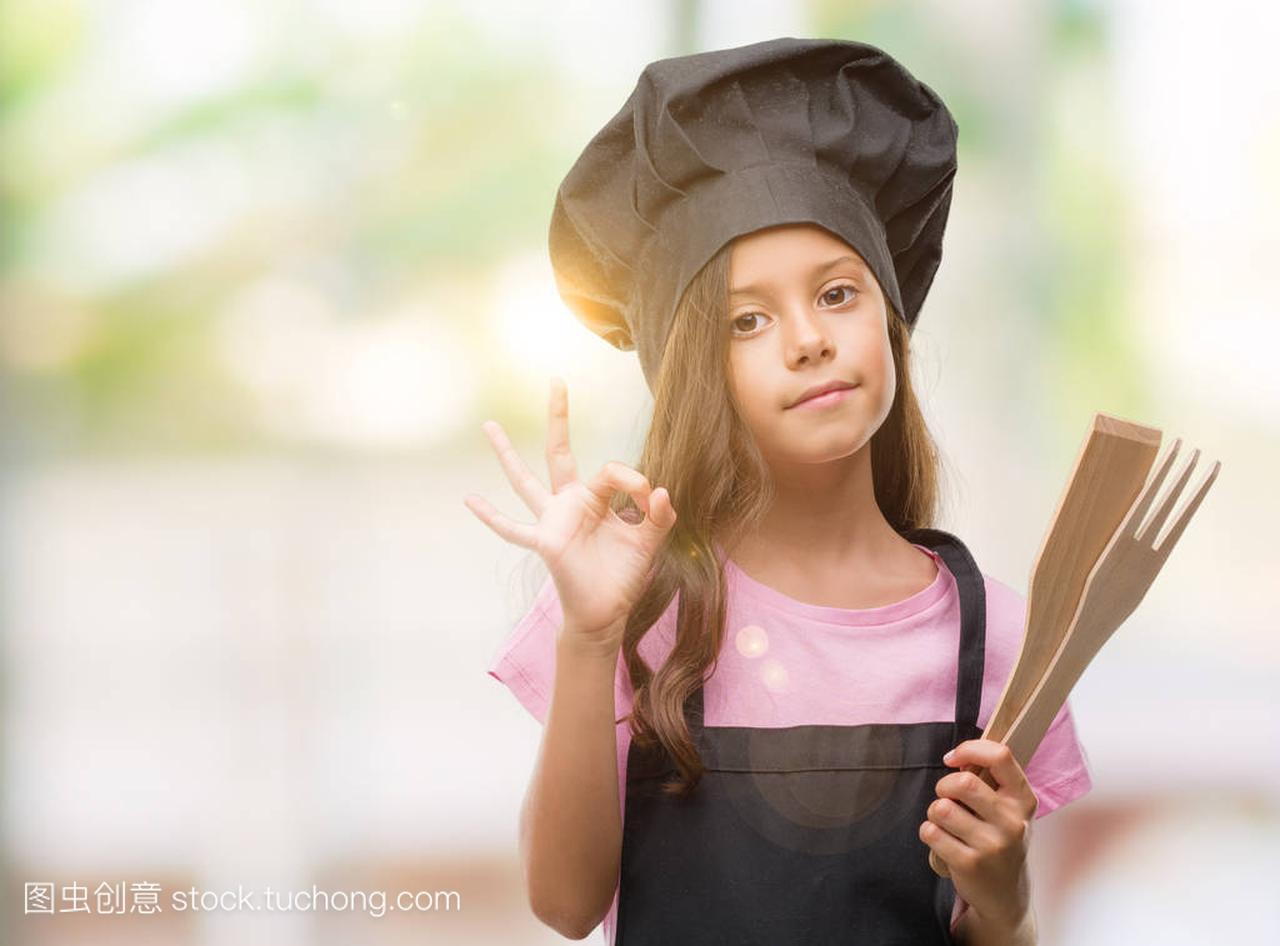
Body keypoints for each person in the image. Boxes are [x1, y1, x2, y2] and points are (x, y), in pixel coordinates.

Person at [466, 37, 1092, 946]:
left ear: (890, 317)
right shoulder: (641, 611)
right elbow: (563, 905)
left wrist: (1007, 902)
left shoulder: (996, 635)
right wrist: (592, 637)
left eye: (837, 294)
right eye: (748, 319)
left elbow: (997, 937)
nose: (807, 338)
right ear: (695, 375)